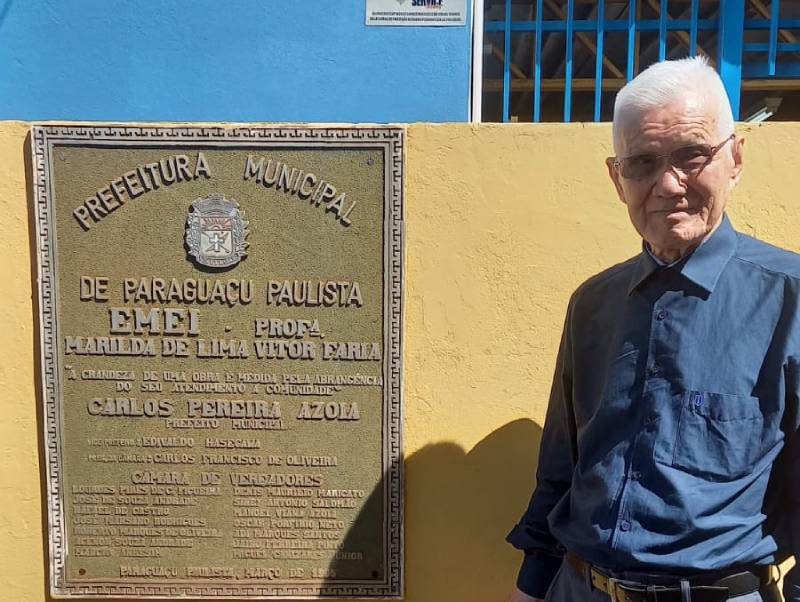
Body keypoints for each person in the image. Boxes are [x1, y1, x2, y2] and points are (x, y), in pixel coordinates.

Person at [506, 56, 797, 602]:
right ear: (617, 179)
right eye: (641, 163)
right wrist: (530, 589)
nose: (668, 184)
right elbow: (561, 471)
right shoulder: (593, 305)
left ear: (735, 157)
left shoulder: (790, 300)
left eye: (691, 154)